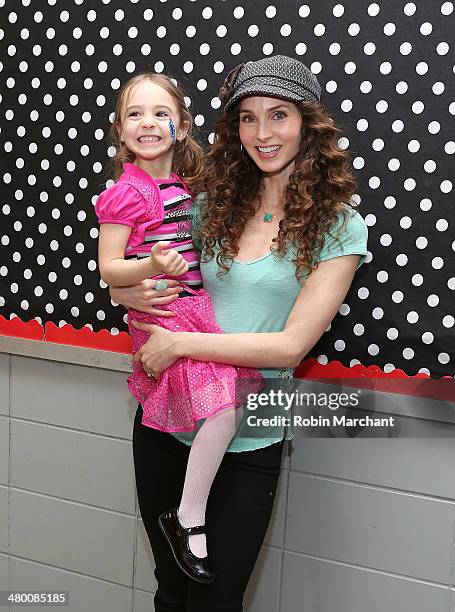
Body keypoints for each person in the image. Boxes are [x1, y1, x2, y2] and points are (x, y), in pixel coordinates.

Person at [110, 55, 369, 612]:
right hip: (166, 422)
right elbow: (141, 266)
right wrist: (125, 293)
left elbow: (290, 346)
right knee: (171, 590)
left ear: (308, 123)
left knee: (215, 600)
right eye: (247, 118)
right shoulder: (212, 206)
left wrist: (179, 342)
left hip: (252, 429)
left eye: (278, 115)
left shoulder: (339, 224)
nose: (263, 132)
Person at [95, 73, 263, 584]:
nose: (148, 123)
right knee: (222, 405)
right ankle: (188, 516)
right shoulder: (126, 193)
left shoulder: (185, 187)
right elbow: (110, 268)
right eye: (134, 114)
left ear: (181, 125)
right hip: (165, 319)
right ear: (119, 130)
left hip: (193, 313)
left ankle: (187, 513)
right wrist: (149, 265)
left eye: (159, 113)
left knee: (226, 403)